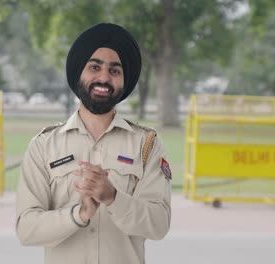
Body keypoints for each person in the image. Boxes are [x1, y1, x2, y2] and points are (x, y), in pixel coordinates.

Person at [15, 23, 172, 264]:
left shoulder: (146, 144)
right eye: (95, 67)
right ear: (79, 72)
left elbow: (158, 224)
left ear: (123, 81)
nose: (103, 78)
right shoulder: (44, 145)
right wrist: (79, 215)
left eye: (114, 71)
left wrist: (113, 198)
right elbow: (27, 229)